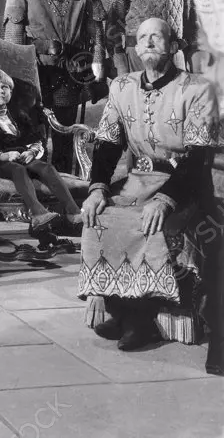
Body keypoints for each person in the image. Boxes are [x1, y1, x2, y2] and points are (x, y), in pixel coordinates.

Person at [80, 18, 218, 356]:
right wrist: (97, 188)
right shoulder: (122, 86)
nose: (150, 41)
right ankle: (119, 309)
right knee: (97, 217)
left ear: (172, 46)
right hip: (135, 180)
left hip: (185, 183)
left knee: (149, 223)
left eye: (158, 36)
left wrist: (167, 199)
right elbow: (108, 144)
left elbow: (199, 157)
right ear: (136, 48)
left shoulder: (198, 88)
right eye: (143, 37)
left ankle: (141, 320)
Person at [3, 0, 106, 172]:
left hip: (73, 71)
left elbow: (96, 26)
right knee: (35, 137)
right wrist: (19, 76)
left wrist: (98, 59)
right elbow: (13, 40)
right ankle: (39, 188)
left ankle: (65, 185)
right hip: (37, 73)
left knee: (65, 135)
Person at [0, 69, 83, 232]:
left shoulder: (19, 116)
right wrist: (3, 156)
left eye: (5, 87)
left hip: (22, 157)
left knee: (46, 167)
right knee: (17, 169)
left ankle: (74, 212)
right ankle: (38, 213)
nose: (1, 90)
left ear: (10, 92)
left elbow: (36, 141)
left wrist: (32, 152)